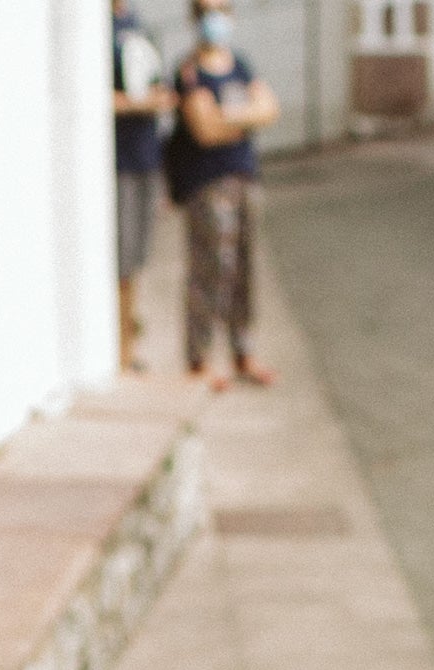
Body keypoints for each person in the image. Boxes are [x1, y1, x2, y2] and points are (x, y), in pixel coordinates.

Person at [165, 7, 279, 388]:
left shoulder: (239, 63)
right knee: (211, 269)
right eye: (209, 11)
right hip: (205, 183)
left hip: (243, 177)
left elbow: (270, 109)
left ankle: (243, 353)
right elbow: (205, 130)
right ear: (196, 19)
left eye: (223, 10)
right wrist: (245, 115)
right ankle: (199, 360)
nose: (218, 20)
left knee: (244, 268)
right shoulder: (189, 72)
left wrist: (226, 114)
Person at [111, 3, 172, 370]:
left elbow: (157, 90)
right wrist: (137, 103)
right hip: (118, 162)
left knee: (137, 257)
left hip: (146, 157)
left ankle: (129, 334)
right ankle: (121, 350)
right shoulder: (98, 29)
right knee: (121, 258)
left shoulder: (142, 28)